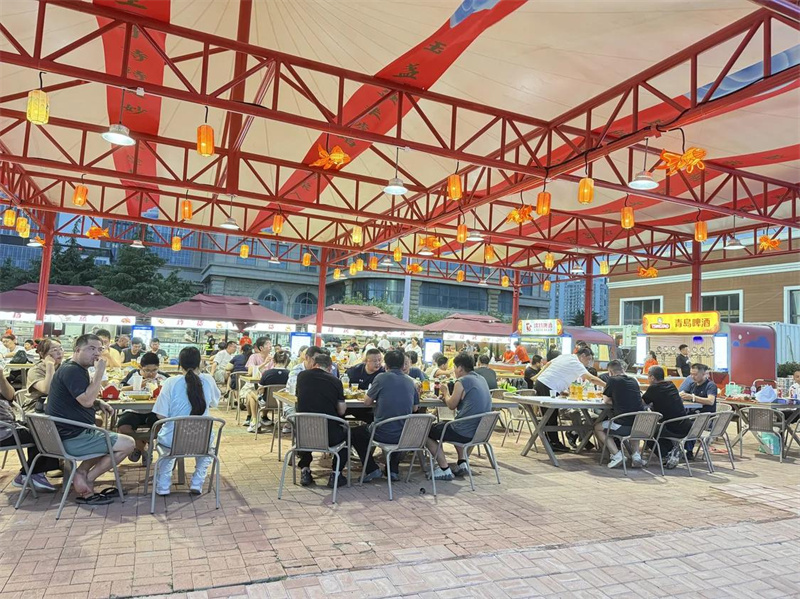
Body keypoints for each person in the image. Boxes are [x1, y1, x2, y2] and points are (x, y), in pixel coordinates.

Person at [46, 334, 135, 505]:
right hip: (72, 438)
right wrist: (100, 372)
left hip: (65, 435)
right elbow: (86, 401)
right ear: (77, 350)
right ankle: (86, 478)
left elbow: (79, 397)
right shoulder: (73, 371)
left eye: (100, 349)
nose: (96, 353)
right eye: (91, 349)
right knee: (128, 444)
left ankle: (82, 473)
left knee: (103, 432)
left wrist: (98, 402)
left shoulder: (71, 368)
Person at [152, 346, 220, 495]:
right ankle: (197, 482)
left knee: (168, 451)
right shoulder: (208, 380)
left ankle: (163, 485)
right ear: (200, 363)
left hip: (173, 440)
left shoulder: (170, 382)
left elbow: (160, 416)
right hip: (202, 440)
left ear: (180, 364)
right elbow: (215, 403)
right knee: (208, 450)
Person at [352, 349, 419, 482]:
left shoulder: (381, 378)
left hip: (381, 432)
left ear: (386, 365)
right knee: (396, 428)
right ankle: (392, 470)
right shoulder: (411, 382)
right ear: (403, 365)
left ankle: (372, 469)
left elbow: (367, 402)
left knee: (355, 434)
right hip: (404, 434)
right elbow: (415, 408)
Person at [426, 353, 492, 480]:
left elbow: (451, 405)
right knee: (454, 423)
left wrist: (445, 392)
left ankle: (444, 469)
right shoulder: (481, 379)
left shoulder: (462, 381)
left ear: (460, 368)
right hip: (480, 432)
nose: (454, 370)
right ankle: (462, 462)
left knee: (425, 431)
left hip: (464, 431)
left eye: (455, 367)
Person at [530, 348, 607, 452]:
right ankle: (554, 443)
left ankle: (552, 442)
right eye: (588, 359)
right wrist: (608, 386)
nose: (588, 362)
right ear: (582, 356)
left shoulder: (565, 356)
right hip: (548, 386)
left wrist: (538, 377)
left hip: (542, 383)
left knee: (549, 416)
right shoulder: (576, 363)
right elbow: (592, 378)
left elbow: (548, 364)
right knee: (550, 416)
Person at [0, 369, 59, 491]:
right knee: (42, 434)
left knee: (43, 428)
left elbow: (10, 396)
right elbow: (46, 389)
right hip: (4, 431)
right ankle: (33, 473)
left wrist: (1, 377)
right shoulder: (36, 370)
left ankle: (31, 472)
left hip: (10, 425)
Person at [295, 353, 348, 488]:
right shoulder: (336, 381)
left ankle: (305, 469)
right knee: (348, 434)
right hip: (330, 437)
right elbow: (341, 411)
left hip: (303, 436)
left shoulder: (302, 376)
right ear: (330, 367)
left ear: (314, 364)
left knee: (308, 426)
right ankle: (336, 473)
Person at [117, 352, 168, 464]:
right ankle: (143, 449)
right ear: (140, 367)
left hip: (154, 411)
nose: (151, 374)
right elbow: (120, 388)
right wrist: (136, 386)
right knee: (122, 428)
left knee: (161, 426)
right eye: (147, 370)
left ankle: (139, 446)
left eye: (154, 370)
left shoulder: (163, 377)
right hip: (133, 410)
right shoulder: (134, 375)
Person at [593, 360, 645, 469]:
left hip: (622, 425)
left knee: (597, 427)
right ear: (623, 369)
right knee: (633, 423)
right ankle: (636, 455)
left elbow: (606, 400)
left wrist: (618, 401)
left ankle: (617, 455)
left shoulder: (612, 380)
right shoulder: (634, 380)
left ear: (610, 372)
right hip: (640, 425)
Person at [642, 366, 689, 469]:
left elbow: (642, 403)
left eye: (648, 377)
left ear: (652, 377)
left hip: (671, 427)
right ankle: (673, 451)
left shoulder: (654, 388)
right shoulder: (671, 384)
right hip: (685, 425)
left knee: (645, 431)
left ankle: (666, 455)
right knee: (656, 430)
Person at [678, 362, 717, 459]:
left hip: (705, 418)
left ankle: (688, 451)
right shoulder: (692, 385)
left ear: (703, 374)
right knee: (674, 422)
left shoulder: (710, 385)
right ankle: (673, 449)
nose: (692, 376)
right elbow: (682, 395)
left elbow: (711, 401)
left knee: (690, 425)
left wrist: (693, 397)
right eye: (691, 374)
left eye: (695, 374)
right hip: (691, 415)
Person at [245, 350, 290, 433]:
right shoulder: (289, 374)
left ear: (274, 361)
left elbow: (261, 391)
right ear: (286, 361)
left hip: (267, 402)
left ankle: (255, 422)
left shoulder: (267, 373)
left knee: (250, 394)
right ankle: (263, 418)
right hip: (284, 403)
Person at [25, 338, 64, 412]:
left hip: (58, 403)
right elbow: (47, 389)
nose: (60, 353)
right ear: (42, 354)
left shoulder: (63, 367)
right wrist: (50, 365)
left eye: (61, 349)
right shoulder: (35, 370)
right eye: (55, 350)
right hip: (36, 406)